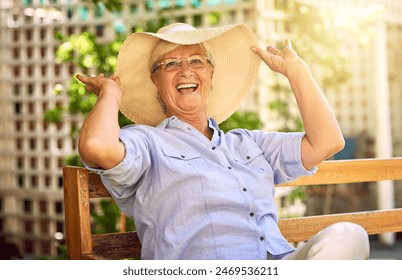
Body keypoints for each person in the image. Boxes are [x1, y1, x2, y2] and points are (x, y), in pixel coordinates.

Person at [77, 23, 370, 260]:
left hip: (280, 262)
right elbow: (96, 147)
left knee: (348, 236)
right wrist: (113, 94)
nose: (186, 70)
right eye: (170, 64)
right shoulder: (146, 142)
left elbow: (327, 142)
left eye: (196, 60)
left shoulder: (247, 143)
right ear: (155, 80)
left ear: (211, 74)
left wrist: (297, 71)